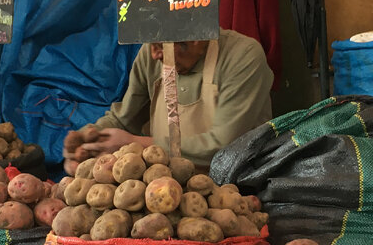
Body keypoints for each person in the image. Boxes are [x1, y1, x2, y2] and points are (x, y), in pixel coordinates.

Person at [63, 29, 273, 175]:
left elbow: (225, 146)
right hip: (162, 190)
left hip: (234, 190)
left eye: (162, 46)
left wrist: (134, 142)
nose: (154, 54)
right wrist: (87, 141)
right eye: (152, 44)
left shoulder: (242, 56)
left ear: (195, 39)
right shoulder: (150, 55)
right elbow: (123, 120)